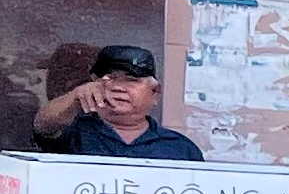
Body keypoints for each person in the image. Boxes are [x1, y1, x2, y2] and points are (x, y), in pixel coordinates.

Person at [34, 45, 200, 162]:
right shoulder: (73, 134)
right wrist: (74, 97)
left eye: (131, 80)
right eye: (109, 79)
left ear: (155, 92)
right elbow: (44, 125)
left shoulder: (181, 149)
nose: (118, 87)